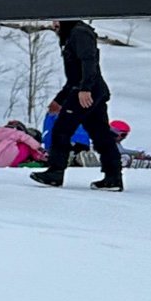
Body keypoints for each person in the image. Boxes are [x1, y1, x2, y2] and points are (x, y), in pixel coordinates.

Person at [31, 20, 123, 191]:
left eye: (56, 22)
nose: (53, 25)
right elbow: (74, 77)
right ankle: (113, 177)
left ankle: (55, 173)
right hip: (91, 90)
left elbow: (89, 61)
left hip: (87, 91)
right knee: (101, 134)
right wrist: (59, 100)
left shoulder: (79, 33)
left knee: (61, 130)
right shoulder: (74, 35)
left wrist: (85, 89)